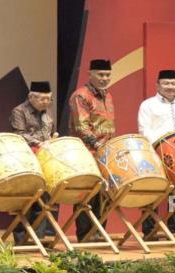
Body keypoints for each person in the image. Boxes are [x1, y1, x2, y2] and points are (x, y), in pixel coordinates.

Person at [138, 69, 175, 241]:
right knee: (154, 188)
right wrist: (163, 145)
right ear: (157, 85)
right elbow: (144, 130)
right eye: (165, 83)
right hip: (156, 152)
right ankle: (149, 231)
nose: (170, 87)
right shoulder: (148, 105)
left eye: (173, 83)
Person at [69, 59, 115, 241]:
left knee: (104, 195)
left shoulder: (108, 96)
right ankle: (85, 234)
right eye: (101, 74)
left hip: (105, 152)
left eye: (107, 75)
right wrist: (97, 145)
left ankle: (99, 232)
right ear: (90, 74)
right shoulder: (81, 95)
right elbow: (81, 127)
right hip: (87, 152)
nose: (105, 78)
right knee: (87, 195)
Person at [9, 81, 58, 243]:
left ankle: (40, 237)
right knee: (25, 199)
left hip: (44, 160)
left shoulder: (47, 115)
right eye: (42, 99)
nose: (46, 102)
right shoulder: (19, 111)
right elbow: (19, 134)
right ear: (31, 97)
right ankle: (21, 238)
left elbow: (50, 135)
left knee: (43, 199)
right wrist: (39, 143)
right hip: (25, 160)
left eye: (49, 99)